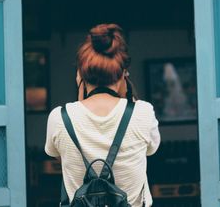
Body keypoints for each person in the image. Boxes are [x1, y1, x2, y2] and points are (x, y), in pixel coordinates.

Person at [45, 24, 161, 206]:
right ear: (124, 74)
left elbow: (59, 155)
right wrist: (130, 98)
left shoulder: (59, 117)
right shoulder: (143, 112)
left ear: (79, 74)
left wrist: (79, 101)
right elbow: (151, 149)